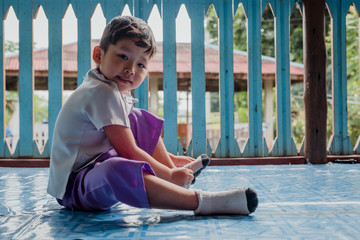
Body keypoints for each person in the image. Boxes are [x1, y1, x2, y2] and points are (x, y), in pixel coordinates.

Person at [47, 15, 258, 215]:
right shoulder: (101, 92)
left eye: (140, 64)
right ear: (99, 55)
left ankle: (168, 165)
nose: (130, 69)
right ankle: (201, 201)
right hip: (75, 187)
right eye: (123, 56)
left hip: (92, 168)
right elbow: (128, 151)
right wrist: (169, 176)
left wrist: (168, 163)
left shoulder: (107, 87)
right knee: (116, 169)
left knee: (137, 118)